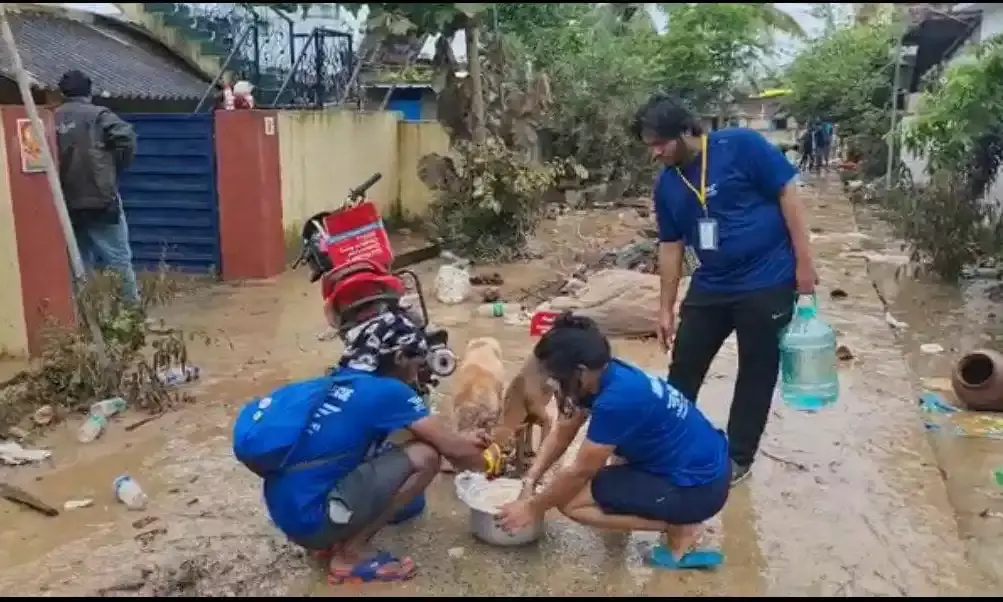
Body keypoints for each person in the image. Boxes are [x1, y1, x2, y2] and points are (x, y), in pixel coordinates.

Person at [632, 92, 817, 485]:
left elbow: (788, 194)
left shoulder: (741, 146)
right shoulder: (667, 185)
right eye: (649, 146)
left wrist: (804, 264)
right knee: (684, 366)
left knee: (757, 369)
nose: (655, 153)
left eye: (660, 143)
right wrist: (665, 308)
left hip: (767, 279)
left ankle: (738, 456)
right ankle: (668, 442)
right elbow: (670, 246)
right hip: (711, 284)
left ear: (685, 130)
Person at [261, 312, 497, 584]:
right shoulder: (390, 392)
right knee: (425, 456)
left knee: (387, 448)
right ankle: (351, 553)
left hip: (288, 512)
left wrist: (458, 439)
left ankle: (329, 535)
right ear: (399, 358)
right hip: (312, 521)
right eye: (416, 365)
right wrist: (487, 456)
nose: (416, 375)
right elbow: (455, 452)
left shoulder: (340, 379)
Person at [497, 313, 730, 570]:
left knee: (569, 501)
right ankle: (669, 513)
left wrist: (532, 507)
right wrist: (531, 480)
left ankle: (681, 526)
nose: (553, 384)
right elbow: (564, 430)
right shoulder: (605, 375)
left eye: (556, 377)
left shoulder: (617, 400)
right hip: (698, 464)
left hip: (700, 487)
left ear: (580, 372)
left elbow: (579, 472)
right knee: (604, 462)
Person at [55, 70, 140, 305]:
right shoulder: (99, 115)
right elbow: (126, 137)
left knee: (78, 260)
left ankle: (84, 314)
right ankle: (130, 313)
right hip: (100, 197)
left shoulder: (51, 118)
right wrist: (115, 165)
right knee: (118, 258)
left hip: (67, 200)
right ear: (89, 91)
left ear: (62, 93)